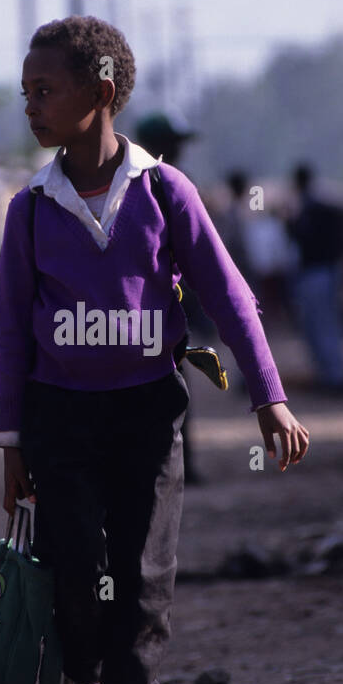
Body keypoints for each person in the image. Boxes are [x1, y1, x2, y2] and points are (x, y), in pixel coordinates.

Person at [0, 15, 309, 684]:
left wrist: (268, 395)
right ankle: (80, 676)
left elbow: (229, 296)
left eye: (46, 90)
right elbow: (10, 331)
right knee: (77, 565)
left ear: (101, 94)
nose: (31, 106)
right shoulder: (30, 210)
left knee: (145, 571)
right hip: (59, 415)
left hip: (146, 409)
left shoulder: (164, 192)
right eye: (26, 92)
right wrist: (11, 444)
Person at [136, 110, 211, 484]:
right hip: (136, 315)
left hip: (168, 314)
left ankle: (178, 467)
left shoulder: (176, 184)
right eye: (174, 143)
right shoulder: (136, 187)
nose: (179, 150)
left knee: (174, 391)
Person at [287, 163, 343, 393]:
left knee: (323, 324)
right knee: (317, 326)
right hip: (322, 271)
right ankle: (329, 374)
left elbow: (301, 237)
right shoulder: (320, 206)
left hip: (318, 272)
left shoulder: (312, 209)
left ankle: (335, 376)